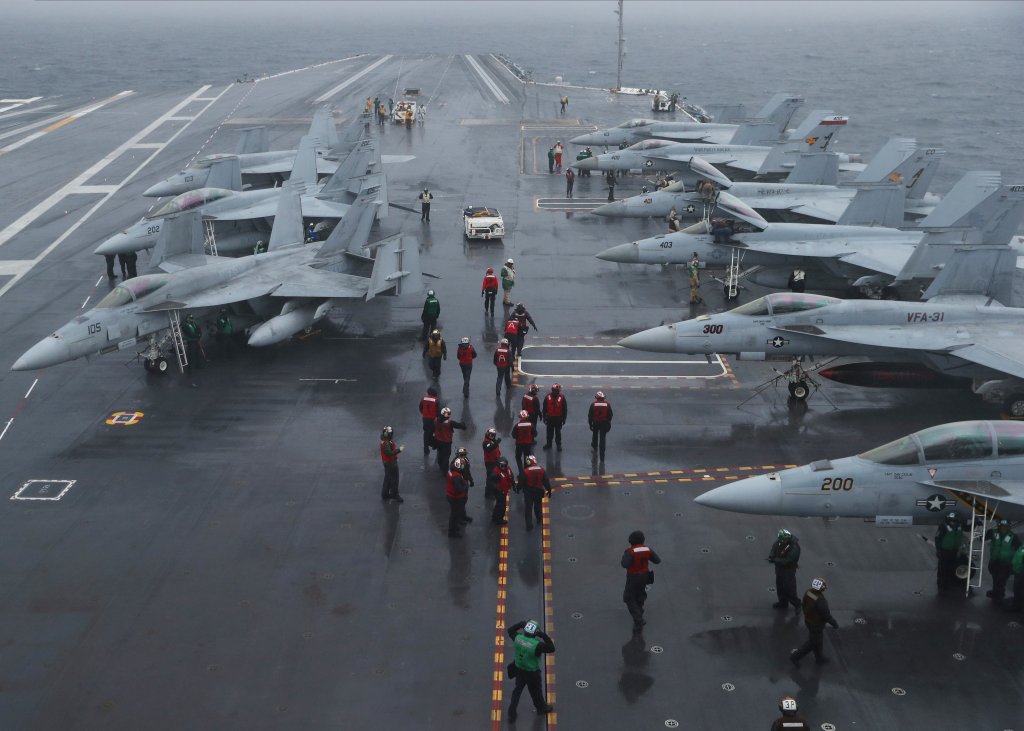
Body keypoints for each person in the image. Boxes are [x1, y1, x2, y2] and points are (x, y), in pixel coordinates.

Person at [506, 619, 555, 722]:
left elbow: (510, 630)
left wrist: (520, 624)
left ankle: (511, 710)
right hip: (532, 672)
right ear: (535, 633)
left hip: (519, 669)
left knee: (517, 690)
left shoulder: (518, 638)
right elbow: (551, 648)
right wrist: (543, 635)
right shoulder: (537, 645)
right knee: (536, 691)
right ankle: (541, 707)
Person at [790, 577, 838, 666]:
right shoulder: (820, 600)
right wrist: (834, 623)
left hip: (809, 620)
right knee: (813, 643)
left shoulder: (808, 592)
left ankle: (819, 657)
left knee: (818, 640)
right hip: (817, 624)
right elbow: (826, 615)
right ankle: (795, 657)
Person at [621, 530, 661, 631]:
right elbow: (657, 560)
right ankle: (640, 609)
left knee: (628, 597)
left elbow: (624, 564)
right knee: (640, 594)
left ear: (631, 541)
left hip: (633, 577)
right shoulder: (648, 549)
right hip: (645, 576)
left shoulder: (630, 551)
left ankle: (638, 618)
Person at [984, 519, 1021, 602]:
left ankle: (999, 595)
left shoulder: (1013, 537)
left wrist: (1016, 563)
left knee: (1001, 580)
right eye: (1001, 525)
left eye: (1005, 526)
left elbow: (1019, 549)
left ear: (1008, 527)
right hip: (994, 561)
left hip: (1006, 563)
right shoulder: (992, 532)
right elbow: (983, 538)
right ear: (999, 525)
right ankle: (995, 592)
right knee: (995, 577)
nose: (1003, 527)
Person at [516, 454, 551, 531]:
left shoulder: (525, 471)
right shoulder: (541, 469)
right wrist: (549, 489)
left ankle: (529, 525)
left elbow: (521, 482)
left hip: (529, 492)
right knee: (538, 506)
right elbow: (546, 481)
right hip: (538, 491)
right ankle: (539, 519)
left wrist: (518, 488)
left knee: (528, 508)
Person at [768, 529, 801, 610]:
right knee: (780, 586)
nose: (780, 541)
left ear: (787, 538)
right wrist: (772, 555)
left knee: (789, 588)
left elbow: (789, 560)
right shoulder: (780, 541)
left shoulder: (794, 547)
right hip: (779, 569)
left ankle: (797, 604)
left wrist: (775, 560)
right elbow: (774, 547)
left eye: (782, 540)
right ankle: (783, 602)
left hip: (788, 570)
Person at [934, 513, 964, 593]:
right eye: (950, 520)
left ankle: (947, 584)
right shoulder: (943, 526)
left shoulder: (959, 527)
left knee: (951, 569)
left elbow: (967, 529)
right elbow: (937, 538)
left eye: (954, 520)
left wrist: (975, 523)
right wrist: (938, 550)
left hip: (954, 551)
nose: (952, 521)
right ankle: (941, 586)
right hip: (944, 551)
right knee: (942, 569)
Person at [433, 407, 466, 475]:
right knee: (446, 456)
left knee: (440, 453)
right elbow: (459, 425)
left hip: (438, 441)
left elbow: (432, 429)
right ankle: (445, 471)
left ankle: (441, 465)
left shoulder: (436, 420)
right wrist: (463, 425)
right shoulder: (450, 423)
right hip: (446, 442)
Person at [446, 457, 471, 537]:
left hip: (450, 495)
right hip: (455, 497)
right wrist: (466, 486)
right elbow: (459, 489)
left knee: (454, 514)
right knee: (454, 515)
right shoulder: (456, 476)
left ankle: (454, 527)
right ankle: (452, 532)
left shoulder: (451, 471)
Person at [379, 426, 404, 503]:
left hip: (387, 462)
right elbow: (389, 453)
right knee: (395, 479)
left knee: (388, 478)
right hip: (391, 463)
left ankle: (385, 493)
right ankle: (394, 494)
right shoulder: (386, 443)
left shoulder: (385, 441)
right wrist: (399, 450)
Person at [588, 391, 613, 461]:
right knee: (602, 438)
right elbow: (610, 415)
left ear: (596, 397)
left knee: (595, 434)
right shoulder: (607, 404)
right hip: (604, 423)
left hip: (596, 422)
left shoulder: (593, 404)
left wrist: (590, 424)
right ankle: (602, 453)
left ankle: (595, 447)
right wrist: (608, 422)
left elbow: (590, 416)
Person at [541, 383, 567, 451]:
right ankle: (549, 444)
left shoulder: (562, 397)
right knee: (549, 432)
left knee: (558, 433)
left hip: (558, 418)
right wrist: (544, 417)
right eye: (555, 390)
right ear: (552, 390)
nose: (556, 392)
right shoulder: (548, 397)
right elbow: (544, 408)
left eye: (557, 390)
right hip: (550, 418)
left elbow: (564, 409)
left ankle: (558, 445)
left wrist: (564, 418)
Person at [489, 457, 515, 525]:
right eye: (502, 466)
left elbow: (511, 476)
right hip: (499, 491)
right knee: (501, 506)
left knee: (499, 505)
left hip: (505, 490)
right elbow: (491, 482)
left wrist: (514, 485)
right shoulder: (495, 472)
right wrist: (496, 489)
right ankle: (498, 519)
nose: (503, 467)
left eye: (504, 465)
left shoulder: (508, 469)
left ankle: (495, 517)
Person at [512, 409, 537, 475]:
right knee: (527, 458)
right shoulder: (530, 424)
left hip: (519, 444)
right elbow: (535, 434)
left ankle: (521, 471)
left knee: (518, 457)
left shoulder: (517, 425)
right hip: (528, 444)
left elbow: (513, 435)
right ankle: (526, 471)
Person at [482, 428, 503, 498]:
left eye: (493, 435)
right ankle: (488, 494)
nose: (492, 436)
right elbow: (489, 448)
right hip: (490, 462)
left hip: (495, 461)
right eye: (491, 435)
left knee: (494, 477)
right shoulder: (486, 442)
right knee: (490, 478)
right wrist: (497, 442)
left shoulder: (492, 440)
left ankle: (492, 491)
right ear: (487, 434)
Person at [418, 387, 439, 455]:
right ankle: (435, 445)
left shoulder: (423, 398)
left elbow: (420, 407)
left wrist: (424, 413)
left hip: (425, 419)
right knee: (435, 433)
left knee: (426, 433)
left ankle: (426, 449)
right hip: (433, 419)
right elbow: (438, 411)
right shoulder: (436, 400)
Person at [1009, 543, 1024, 612]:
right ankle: (1016, 606)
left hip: (1021, 572)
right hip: (1018, 571)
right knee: (1017, 590)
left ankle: (1017, 607)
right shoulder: (1022, 547)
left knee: (1019, 590)